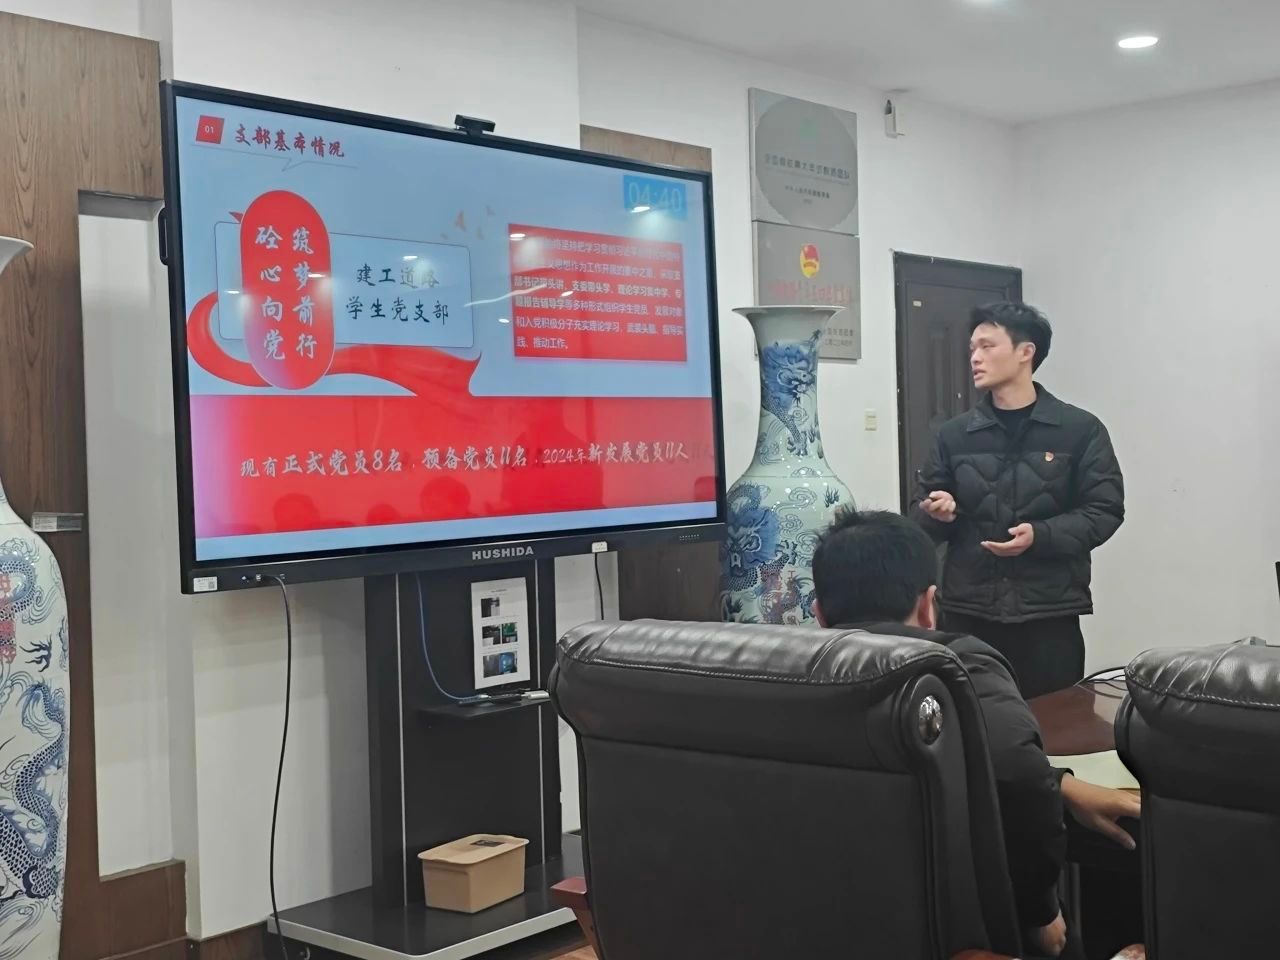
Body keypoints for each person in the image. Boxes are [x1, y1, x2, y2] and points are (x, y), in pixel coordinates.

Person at [812, 508, 1140, 959]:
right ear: (929, 605)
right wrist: (1040, 910)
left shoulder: (784, 675)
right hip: (962, 934)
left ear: (819, 613)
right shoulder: (959, 665)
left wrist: (1061, 784)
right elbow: (1017, 777)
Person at [914, 301, 1125, 699]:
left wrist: (1041, 535)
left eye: (987, 346)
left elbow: (1104, 509)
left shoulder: (1079, 430)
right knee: (972, 720)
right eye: (972, 348)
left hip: (1049, 614)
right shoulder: (954, 435)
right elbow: (920, 513)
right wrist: (938, 513)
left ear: (1026, 352)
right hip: (968, 612)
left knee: (1054, 723)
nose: (975, 357)